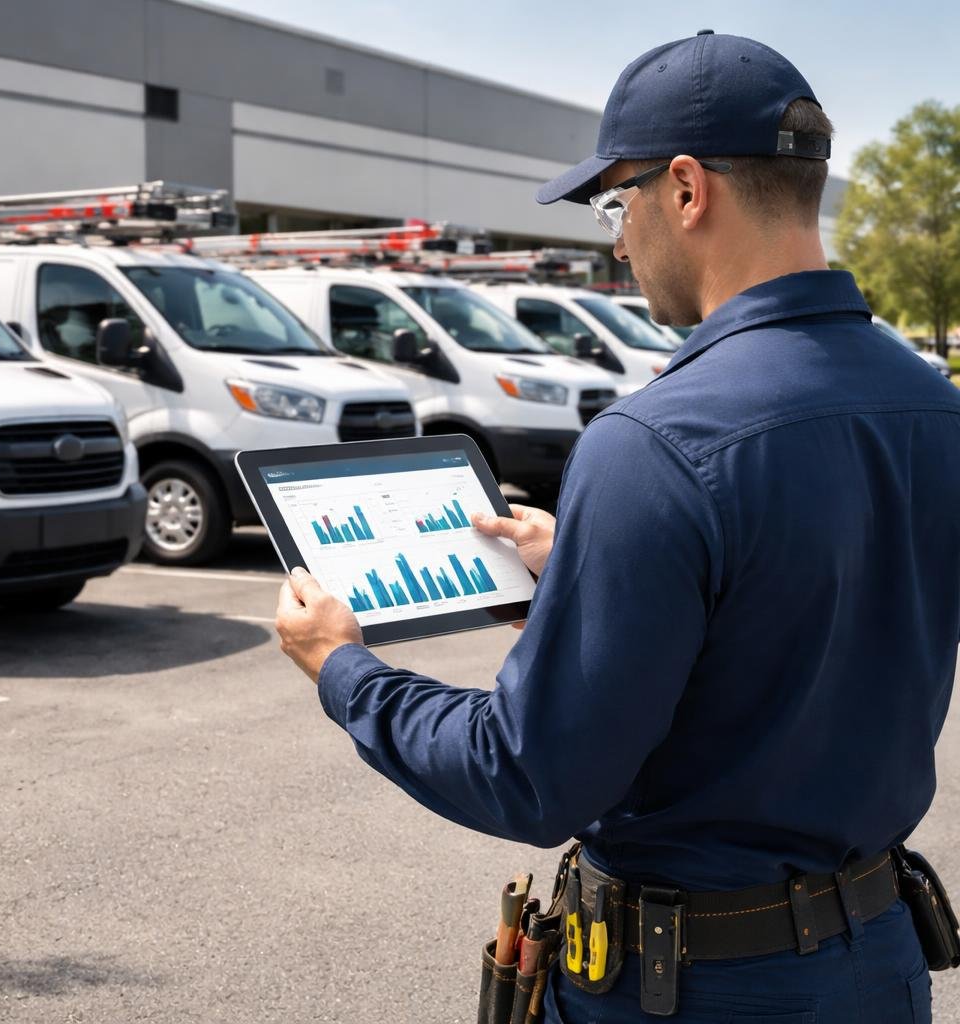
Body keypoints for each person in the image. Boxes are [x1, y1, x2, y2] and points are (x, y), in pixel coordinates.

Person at [273, 31, 960, 1022]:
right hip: (876, 968)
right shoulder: (930, 406)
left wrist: (345, 671)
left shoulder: (657, 443)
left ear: (686, 190)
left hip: (691, 989)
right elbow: (807, 622)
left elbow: (531, 776)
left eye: (616, 201)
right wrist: (586, 574)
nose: (616, 237)